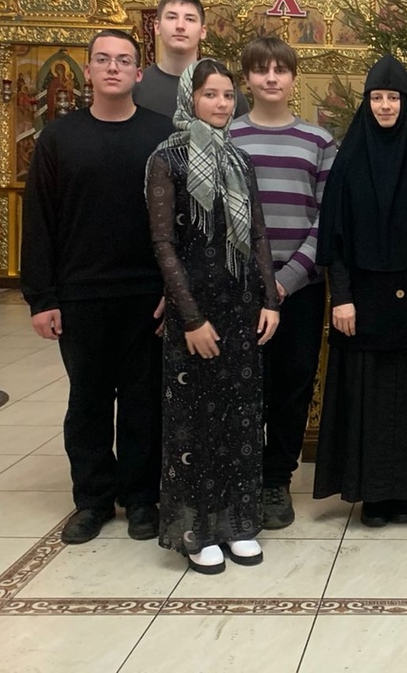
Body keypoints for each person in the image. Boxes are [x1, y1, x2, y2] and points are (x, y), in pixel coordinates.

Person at [22, 30, 174, 545]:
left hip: (147, 294)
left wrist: (173, 288)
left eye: (124, 61)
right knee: (87, 400)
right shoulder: (59, 138)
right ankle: (92, 499)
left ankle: (141, 497)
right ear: (87, 71)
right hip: (81, 292)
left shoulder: (161, 135)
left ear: (138, 73)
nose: (113, 68)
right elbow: (39, 220)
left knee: (142, 401)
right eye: (103, 60)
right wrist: (42, 298)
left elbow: (179, 221)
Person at [146, 59, 280, 574]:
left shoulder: (240, 159)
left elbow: (259, 234)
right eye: (210, 94)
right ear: (190, 98)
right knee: (195, 423)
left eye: (227, 95)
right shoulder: (167, 159)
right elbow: (163, 244)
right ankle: (197, 530)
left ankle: (237, 523)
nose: (221, 104)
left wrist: (269, 301)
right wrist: (190, 318)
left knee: (240, 418)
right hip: (196, 313)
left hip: (242, 308)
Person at [313, 55, 407, 526]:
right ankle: (370, 493)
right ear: (367, 102)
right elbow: (334, 238)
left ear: (406, 102)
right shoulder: (349, 159)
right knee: (366, 395)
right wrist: (342, 297)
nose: (386, 106)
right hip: (363, 300)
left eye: (393, 97)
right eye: (377, 97)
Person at [230, 37, 336, 531]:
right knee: (245, 384)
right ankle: (244, 476)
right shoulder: (228, 137)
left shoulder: (318, 141)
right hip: (241, 288)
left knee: (292, 386)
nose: (271, 78)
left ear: (294, 78)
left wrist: (286, 280)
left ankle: (277, 480)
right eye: (261, 70)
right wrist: (256, 281)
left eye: (280, 70)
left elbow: (326, 220)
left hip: (300, 287)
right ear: (246, 79)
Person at [135, 0, 247, 123]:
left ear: (203, 31)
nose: (180, 26)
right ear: (157, 27)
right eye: (172, 17)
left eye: (190, 19)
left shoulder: (224, 88)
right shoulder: (137, 86)